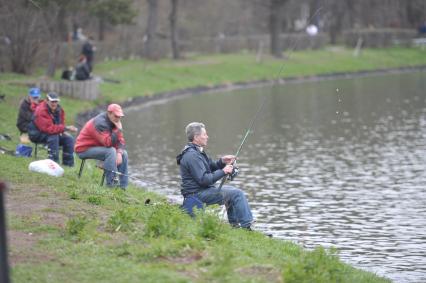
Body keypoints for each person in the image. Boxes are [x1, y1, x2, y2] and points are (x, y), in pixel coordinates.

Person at [176, 122, 254, 229]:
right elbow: (204, 180)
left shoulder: (197, 152)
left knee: (232, 192)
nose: (207, 137)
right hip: (197, 194)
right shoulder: (192, 155)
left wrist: (222, 162)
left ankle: (235, 226)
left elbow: (211, 166)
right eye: (205, 134)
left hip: (201, 191)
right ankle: (246, 227)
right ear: (196, 137)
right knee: (237, 194)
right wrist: (224, 171)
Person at [74, 104, 128, 189]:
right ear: (109, 113)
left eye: (120, 117)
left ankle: (123, 187)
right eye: (116, 116)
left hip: (99, 147)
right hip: (83, 149)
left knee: (124, 153)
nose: (118, 119)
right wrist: (119, 130)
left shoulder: (114, 122)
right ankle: (111, 185)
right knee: (111, 151)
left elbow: (121, 140)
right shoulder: (100, 123)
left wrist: (119, 153)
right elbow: (107, 143)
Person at [28, 93, 78, 166]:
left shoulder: (59, 110)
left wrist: (63, 131)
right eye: (52, 101)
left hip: (50, 133)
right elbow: (48, 129)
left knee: (69, 139)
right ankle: (54, 163)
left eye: (56, 101)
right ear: (47, 101)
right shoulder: (41, 110)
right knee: (54, 137)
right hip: (36, 134)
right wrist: (66, 128)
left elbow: (60, 124)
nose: (54, 104)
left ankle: (68, 165)